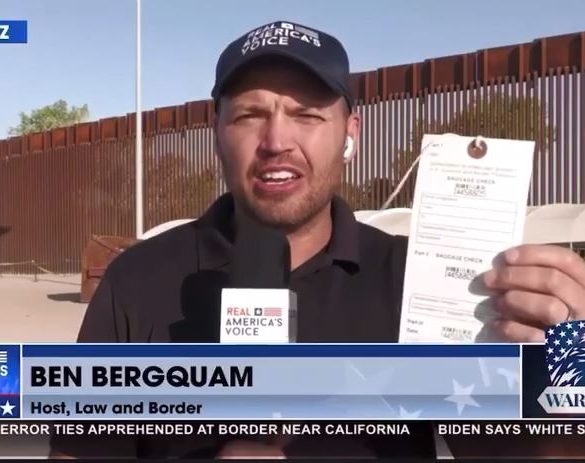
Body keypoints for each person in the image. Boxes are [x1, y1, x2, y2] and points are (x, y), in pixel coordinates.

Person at [50, 20, 585, 459]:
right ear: (216, 133)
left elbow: (522, 451)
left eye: (306, 115)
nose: (276, 141)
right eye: (250, 115)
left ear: (350, 134)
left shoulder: (415, 279)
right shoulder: (137, 280)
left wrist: (566, 375)